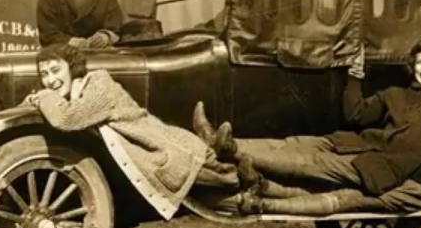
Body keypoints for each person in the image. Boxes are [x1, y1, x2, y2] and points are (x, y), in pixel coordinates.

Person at [193, 38, 421, 228]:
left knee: (306, 162)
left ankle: (229, 152)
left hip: (378, 166)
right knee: (294, 144)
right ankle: (224, 143)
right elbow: (356, 115)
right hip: (353, 145)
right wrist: (355, 76)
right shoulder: (395, 94)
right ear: (413, 65)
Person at [22, 44, 260, 217]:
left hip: (174, 152)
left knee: (230, 180)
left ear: (72, 68)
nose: (50, 80)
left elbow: (65, 119)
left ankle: (237, 166)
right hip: (162, 154)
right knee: (215, 198)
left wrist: (42, 97)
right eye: (44, 75)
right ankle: (239, 177)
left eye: (55, 70)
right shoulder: (76, 96)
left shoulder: (98, 84)